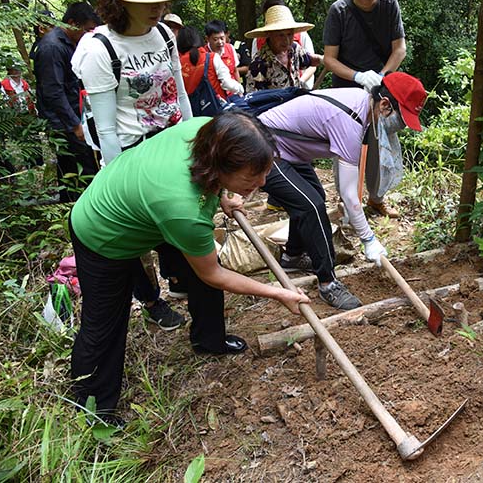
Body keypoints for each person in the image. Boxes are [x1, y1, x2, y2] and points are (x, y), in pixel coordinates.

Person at [70, 111, 309, 424]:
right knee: (104, 324)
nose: (262, 184)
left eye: (263, 173)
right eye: (252, 178)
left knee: (204, 264)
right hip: (103, 231)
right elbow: (213, 275)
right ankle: (94, 408)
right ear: (222, 167)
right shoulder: (183, 210)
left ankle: (210, 339)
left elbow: (205, 183)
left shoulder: (209, 131)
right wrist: (277, 293)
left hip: (144, 199)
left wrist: (221, 197)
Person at [71, 0, 195, 329]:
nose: (157, 7)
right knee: (135, 235)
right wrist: (117, 172)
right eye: (146, 0)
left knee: (176, 220)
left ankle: (180, 281)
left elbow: (179, 93)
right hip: (131, 151)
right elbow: (105, 127)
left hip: (171, 142)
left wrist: (194, 140)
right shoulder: (99, 49)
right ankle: (151, 299)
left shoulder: (162, 35)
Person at [257, 72, 427, 310]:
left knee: (315, 196)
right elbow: (349, 196)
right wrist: (368, 239)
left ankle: (292, 256)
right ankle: (328, 283)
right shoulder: (351, 119)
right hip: (263, 147)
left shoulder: (362, 106)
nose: (399, 127)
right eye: (401, 119)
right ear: (385, 104)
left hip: (289, 151)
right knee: (312, 206)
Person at [323, 0, 407, 218]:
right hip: (346, 90)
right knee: (347, 146)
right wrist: (358, 76)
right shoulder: (339, 11)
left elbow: (399, 48)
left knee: (381, 140)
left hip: (381, 87)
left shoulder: (389, 3)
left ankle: (376, 198)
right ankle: (348, 203)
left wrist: (381, 76)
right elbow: (329, 59)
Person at [33, 2, 100, 203]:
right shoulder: (51, 47)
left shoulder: (71, 44)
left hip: (75, 117)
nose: (89, 34)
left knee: (84, 167)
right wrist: (74, 124)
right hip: (62, 124)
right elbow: (53, 92)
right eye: (86, 29)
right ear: (71, 23)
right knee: (74, 170)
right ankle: (72, 210)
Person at [245, 3, 321, 93]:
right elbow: (255, 100)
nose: (286, 40)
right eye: (280, 35)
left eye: (290, 34)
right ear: (269, 34)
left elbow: (309, 59)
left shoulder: (295, 49)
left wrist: (324, 60)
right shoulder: (259, 63)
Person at [178, 25, 244, 104]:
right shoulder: (211, 57)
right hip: (215, 106)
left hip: (191, 108)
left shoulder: (178, 63)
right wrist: (240, 89)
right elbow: (227, 83)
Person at [204, 20, 241, 84]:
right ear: (207, 39)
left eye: (222, 38)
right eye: (215, 39)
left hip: (232, 90)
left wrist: (240, 90)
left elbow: (235, 70)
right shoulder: (203, 53)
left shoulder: (230, 48)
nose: (220, 42)